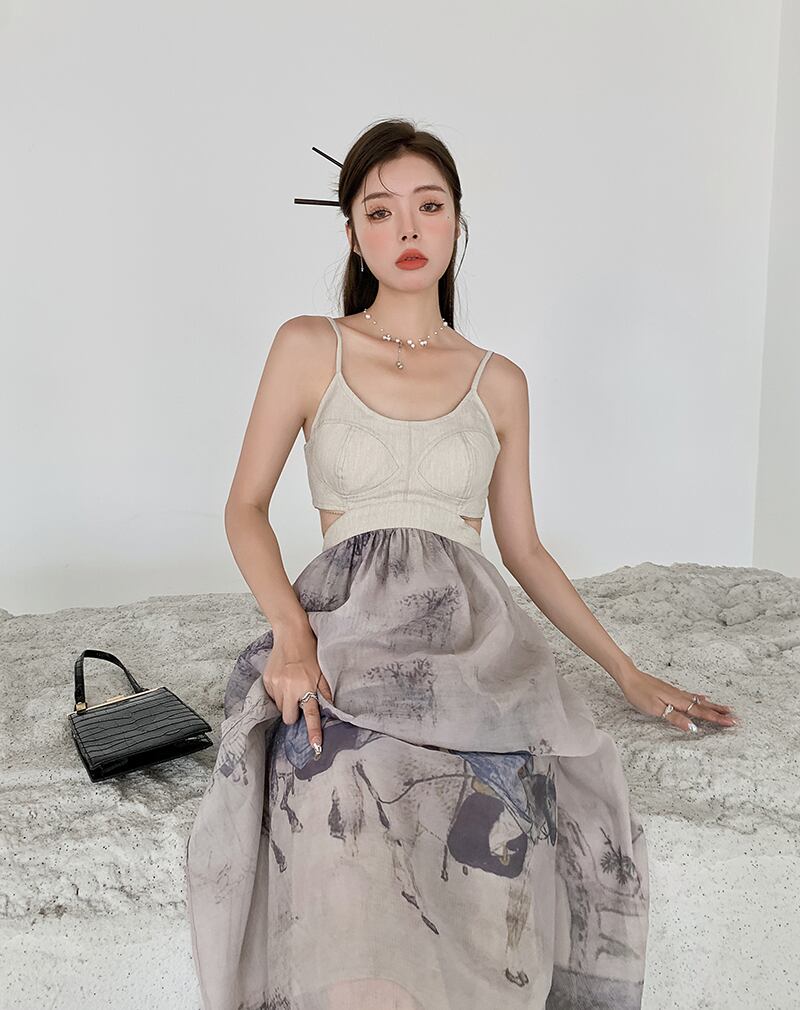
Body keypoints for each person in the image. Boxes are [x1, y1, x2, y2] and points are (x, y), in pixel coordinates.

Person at [184, 118, 738, 1010]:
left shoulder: (499, 381)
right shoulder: (310, 345)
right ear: (353, 234)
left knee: (508, 799)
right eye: (380, 211)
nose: (407, 229)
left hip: (471, 640)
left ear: (456, 221)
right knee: (342, 784)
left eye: (429, 206)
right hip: (347, 627)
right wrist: (290, 634)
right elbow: (243, 507)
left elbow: (524, 550)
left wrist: (626, 672)